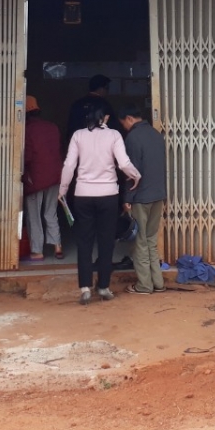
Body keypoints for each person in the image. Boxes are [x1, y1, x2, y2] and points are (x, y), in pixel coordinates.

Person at [59, 104, 141, 304]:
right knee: (106, 241)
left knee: (84, 241)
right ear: (105, 118)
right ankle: (103, 287)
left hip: (83, 195)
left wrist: (63, 190)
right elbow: (123, 163)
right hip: (108, 195)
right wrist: (136, 175)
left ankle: (85, 288)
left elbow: (69, 165)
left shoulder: (78, 135)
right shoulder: (114, 135)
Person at [119, 105, 168, 294]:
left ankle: (144, 285)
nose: (124, 127)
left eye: (123, 123)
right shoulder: (156, 135)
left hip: (141, 197)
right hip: (158, 195)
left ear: (129, 118)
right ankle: (158, 283)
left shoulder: (133, 137)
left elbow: (132, 171)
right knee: (151, 240)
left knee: (140, 242)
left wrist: (127, 198)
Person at [22, 95, 64, 261]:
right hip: (55, 176)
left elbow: (27, 157)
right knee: (50, 212)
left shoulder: (26, 130)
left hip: (36, 178)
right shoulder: (52, 127)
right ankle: (57, 246)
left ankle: (37, 250)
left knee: (34, 215)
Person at [66, 74, 120, 143]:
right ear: (101, 89)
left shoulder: (77, 104)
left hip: (79, 143)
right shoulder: (105, 105)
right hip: (99, 144)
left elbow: (71, 128)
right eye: (107, 89)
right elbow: (112, 127)